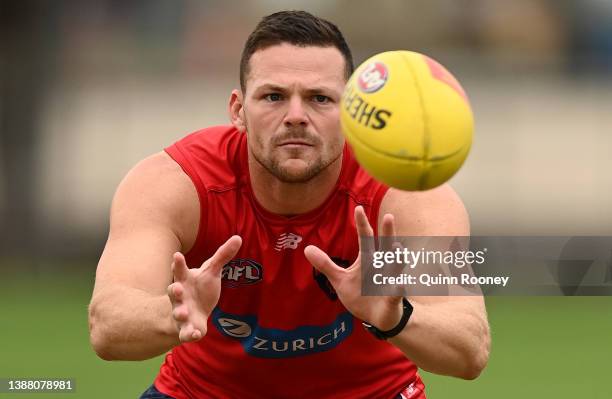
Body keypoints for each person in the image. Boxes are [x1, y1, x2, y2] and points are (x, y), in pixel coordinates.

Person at [88, 10, 490, 399]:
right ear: (238, 111)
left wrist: (394, 318)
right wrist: (173, 315)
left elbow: (469, 348)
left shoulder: (402, 196)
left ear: (350, 113)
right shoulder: (177, 183)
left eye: (319, 98)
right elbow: (107, 324)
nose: (296, 116)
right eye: (274, 96)